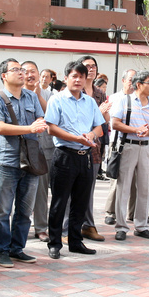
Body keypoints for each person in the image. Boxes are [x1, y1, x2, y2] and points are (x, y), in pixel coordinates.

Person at [0, 59, 47, 267]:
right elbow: (0, 128)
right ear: (4, 75)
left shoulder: (32, 96)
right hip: (7, 161)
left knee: (24, 209)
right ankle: (1, 250)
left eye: (22, 69)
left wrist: (35, 126)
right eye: (16, 70)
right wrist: (29, 129)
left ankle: (17, 248)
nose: (21, 73)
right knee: (4, 210)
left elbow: (41, 121)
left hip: (31, 161)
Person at [45, 61, 105, 259]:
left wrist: (91, 136)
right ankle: (54, 243)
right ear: (66, 78)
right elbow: (51, 128)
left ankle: (76, 242)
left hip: (85, 157)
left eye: (82, 76)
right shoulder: (57, 100)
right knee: (60, 202)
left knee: (81, 202)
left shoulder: (89, 102)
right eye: (74, 76)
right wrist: (76, 138)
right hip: (64, 155)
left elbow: (99, 128)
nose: (78, 80)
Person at [110, 70, 149, 241]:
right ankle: (121, 226)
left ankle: (141, 226)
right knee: (123, 187)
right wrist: (135, 130)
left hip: (147, 148)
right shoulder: (125, 100)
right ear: (138, 85)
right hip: (129, 147)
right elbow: (115, 123)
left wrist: (147, 133)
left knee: (145, 187)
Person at [77, 55, 111, 242]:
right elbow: (79, 118)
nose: (91, 69)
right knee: (73, 188)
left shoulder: (100, 93)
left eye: (93, 66)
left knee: (89, 188)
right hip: (75, 144)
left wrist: (105, 112)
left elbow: (104, 121)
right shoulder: (75, 90)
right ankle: (67, 227)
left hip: (95, 146)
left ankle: (88, 225)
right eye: (87, 66)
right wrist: (98, 113)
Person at [23, 61, 53, 242]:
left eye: (33, 71)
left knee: (41, 190)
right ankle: (20, 226)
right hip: (23, 148)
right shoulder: (15, 95)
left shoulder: (50, 95)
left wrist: (38, 94)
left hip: (44, 148)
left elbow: (50, 115)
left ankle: (41, 227)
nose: (29, 75)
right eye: (25, 71)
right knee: (20, 190)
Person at [102, 69, 136, 231]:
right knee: (116, 178)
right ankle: (111, 212)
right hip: (117, 142)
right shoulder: (114, 98)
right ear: (123, 80)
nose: (133, 82)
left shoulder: (140, 99)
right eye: (130, 79)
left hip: (136, 143)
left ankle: (132, 212)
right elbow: (107, 119)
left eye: (135, 79)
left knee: (135, 180)